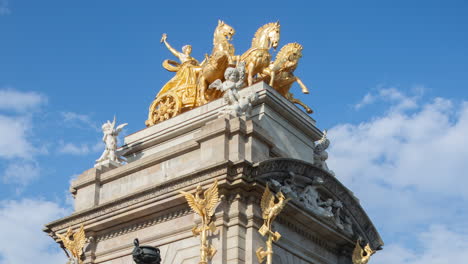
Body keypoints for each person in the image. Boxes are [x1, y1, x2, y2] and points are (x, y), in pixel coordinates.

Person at [157, 33, 201, 106]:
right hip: (186, 70)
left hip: (193, 69)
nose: (190, 49)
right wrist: (165, 41)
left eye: (190, 48)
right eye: (189, 48)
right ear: (185, 50)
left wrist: (206, 60)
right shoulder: (181, 55)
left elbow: (200, 67)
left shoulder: (193, 59)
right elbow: (171, 49)